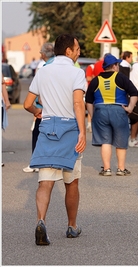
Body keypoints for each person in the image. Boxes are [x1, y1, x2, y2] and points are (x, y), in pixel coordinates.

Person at [23, 34, 87, 245]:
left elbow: (27, 103)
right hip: (70, 128)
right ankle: (72, 226)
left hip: (48, 126)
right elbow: (78, 103)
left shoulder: (43, 72)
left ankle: (41, 221)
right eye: (77, 49)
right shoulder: (77, 73)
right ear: (68, 51)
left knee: (45, 182)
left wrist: (36, 112)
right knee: (72, 182)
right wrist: (82, 132)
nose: (79, 52)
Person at [86, 54, 138, 176]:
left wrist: (93, 116)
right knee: (121, 140)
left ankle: (107, 169)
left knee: (105, 141)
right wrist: (130, 108)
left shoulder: (96, 80)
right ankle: (120, 169)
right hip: (118, 110)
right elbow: (134, 93)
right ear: (114, 66)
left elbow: (88, 100)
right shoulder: (121, 77)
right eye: (117, 64)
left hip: (100, 111)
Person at [23, 42, 55, 173]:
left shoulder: (46, 69)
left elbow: (29, 102)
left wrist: (36, 109)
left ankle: (36, 163)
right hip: (59, 109)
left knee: (38, 133)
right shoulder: (60, 66)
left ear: (43, 54)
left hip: (45, 108)